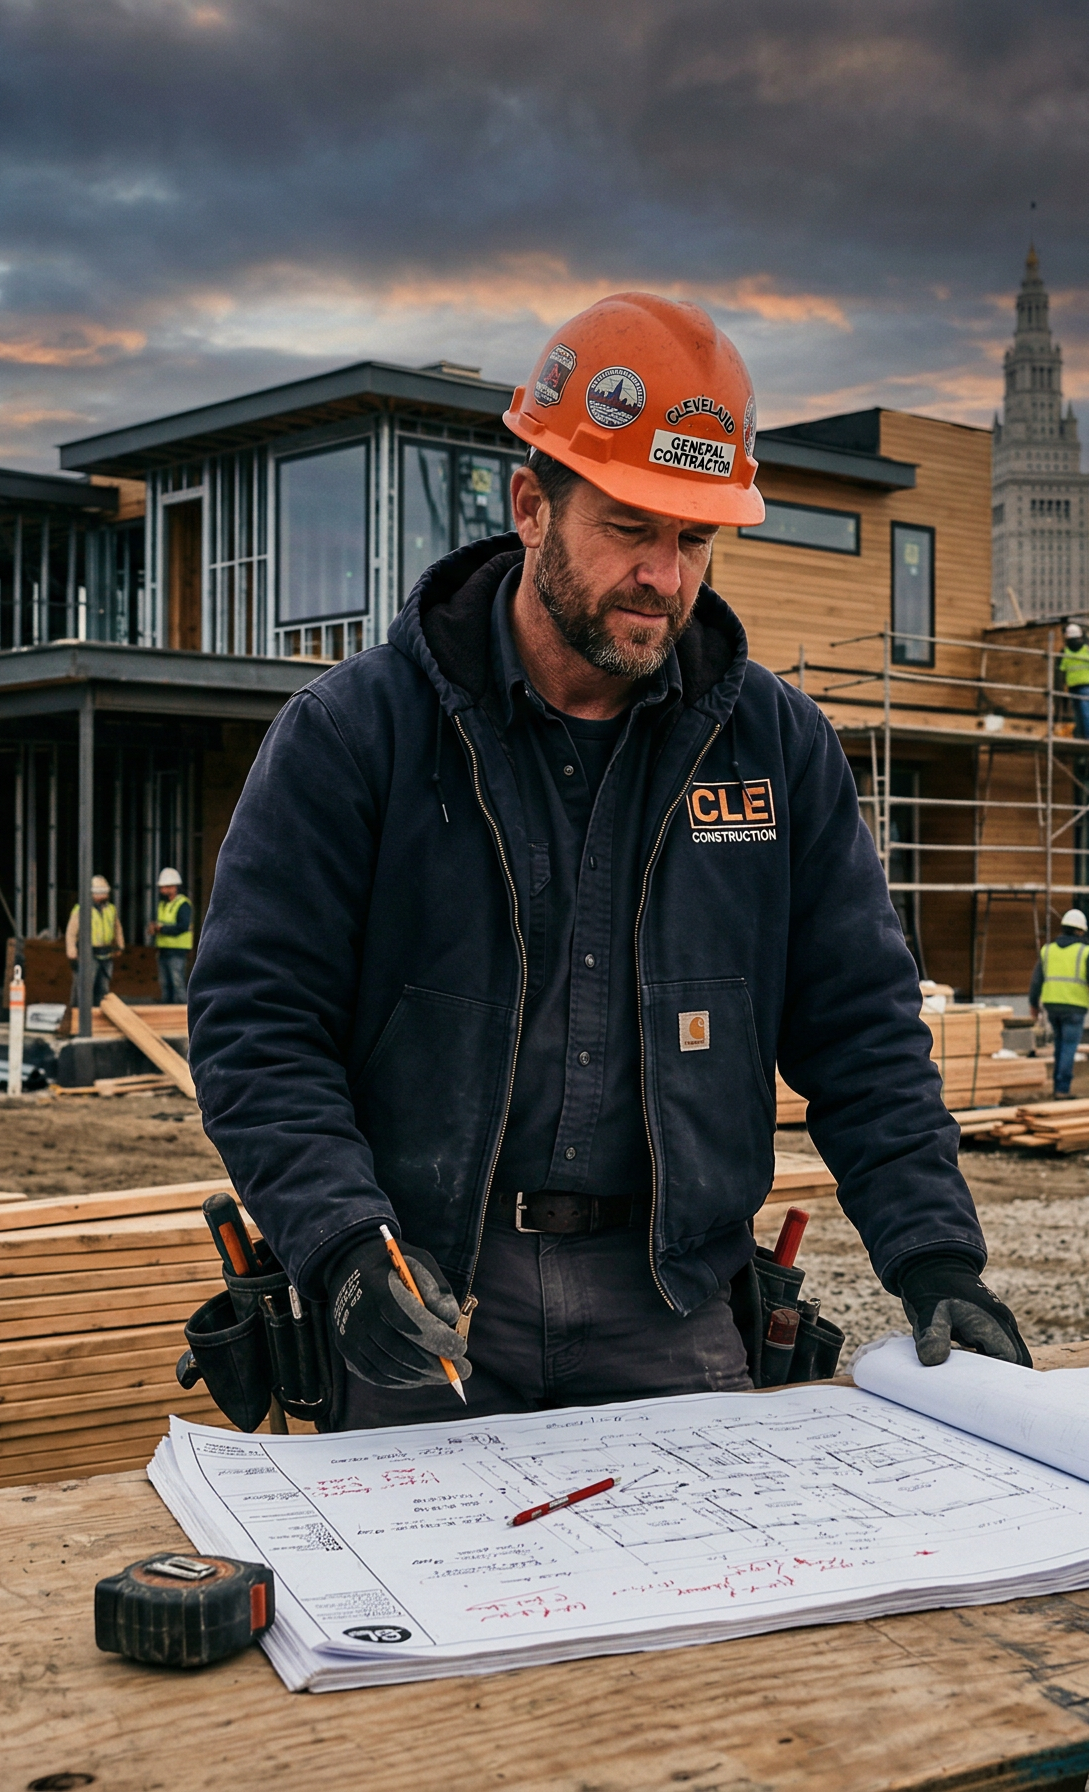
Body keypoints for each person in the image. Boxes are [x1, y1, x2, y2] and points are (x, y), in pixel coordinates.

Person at [190, 293, 1026, 1433]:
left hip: (671, 1300)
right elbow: (258, 1019)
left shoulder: (775, 748)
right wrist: (341, 1245)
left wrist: (935, 1257)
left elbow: (861, 1026)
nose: (665, 578)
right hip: (430, 1295)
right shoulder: (356, 735)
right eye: (632, 529)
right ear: (532, 506)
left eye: (694, 541)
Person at [1028, 908, 1089, 1099]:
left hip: (1052, 1005)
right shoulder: (1085, 952)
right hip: (1074, 1007)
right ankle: (1062, 1089)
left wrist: (1033, 1003)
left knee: (1059, 1045)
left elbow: (1036, 980)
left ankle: (1058, 1085)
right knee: (1069, 1047)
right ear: (1080, 931)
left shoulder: (1048, 950)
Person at [64, 874, 123, 1007]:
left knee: (103, 987)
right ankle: (82, 1014)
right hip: (88, 954)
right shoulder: (81, 910)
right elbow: (71, 932)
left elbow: (117, 928)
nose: (103, 896)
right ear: (92, 894)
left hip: (106, 953)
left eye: (104, 893)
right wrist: (71, 950)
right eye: (100, 893)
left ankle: (99, 1013)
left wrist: (120, 945)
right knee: (86, 987)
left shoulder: (111, 909)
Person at [148, 867, 195, 1003]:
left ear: (174, 887)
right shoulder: (163, 904)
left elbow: (182, 926)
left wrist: (162, 929)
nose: (162, 890)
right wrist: (154, 928)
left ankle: (182, 1010)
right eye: (161, 887)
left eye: (165, 887)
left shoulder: (183, 904)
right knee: (165, 983)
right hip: (163, 949)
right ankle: (167, 1008)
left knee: (177, 982)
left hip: (177, 950)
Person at [1060, 621, 1089, 740]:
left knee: (1082, 712)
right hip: (1080, 684)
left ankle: (1086, 737)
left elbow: (1062, 670)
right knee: (1082, 712)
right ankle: (1085, 736)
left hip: (1080, 684)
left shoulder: (1066, 651)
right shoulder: (1086, 649)